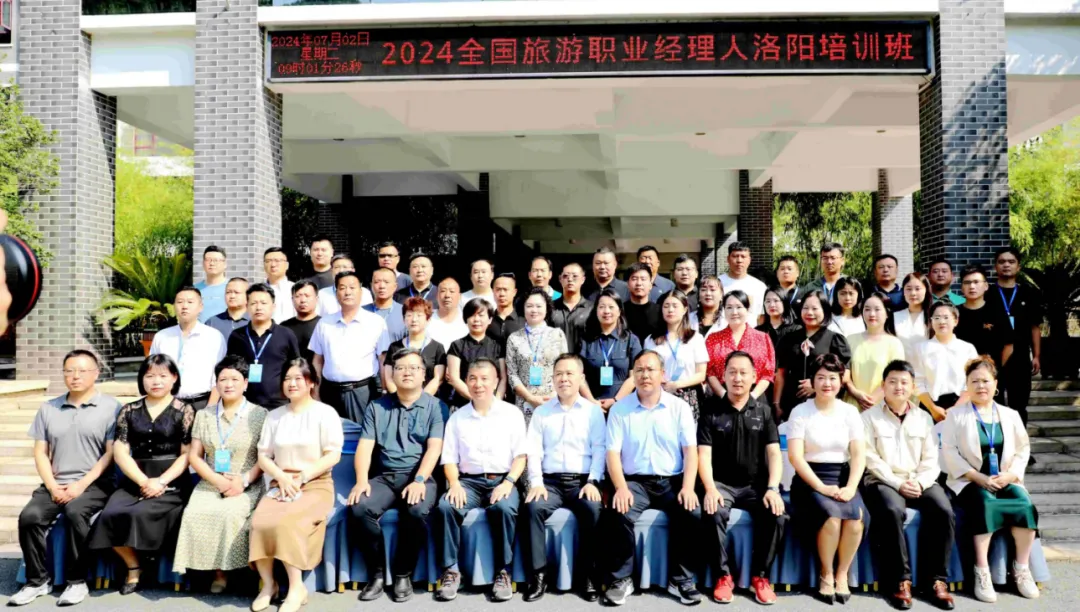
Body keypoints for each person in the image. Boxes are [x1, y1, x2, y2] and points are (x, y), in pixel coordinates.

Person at [12, 351, 120, 607]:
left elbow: (110, 454)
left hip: (94, 483)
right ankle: (37, 581)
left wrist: (81, 485)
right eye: (69, 371)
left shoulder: (111, 407)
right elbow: (40, 452)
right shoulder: (49, 408)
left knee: (75, 512)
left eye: (82, 371)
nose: (75, 376)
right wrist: (52, 486)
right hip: (56, 482)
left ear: (96, 373)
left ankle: (77, 581)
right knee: (30, 517)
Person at [600, 350, 702, 606]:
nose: (645, 375)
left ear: (662, 374)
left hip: (671, 481)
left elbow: (690, 451)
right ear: (633, 375)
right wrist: (620, 488)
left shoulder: (679, 407)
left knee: (691, 511)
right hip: (635, 482)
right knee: (620, 510)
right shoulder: (620, 409)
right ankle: (622, 579)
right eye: (639, 370)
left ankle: (681, 579)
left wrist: (688, 487)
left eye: (650, 369)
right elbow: (612, 454)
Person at [87, 355, 195, 595]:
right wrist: (143, 481)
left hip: (172, 480)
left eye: (163, 376)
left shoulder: (185, 410)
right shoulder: (129, 410)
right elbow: (120, 451)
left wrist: (161, 481)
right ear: (142, 379)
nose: (156, 381)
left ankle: (156, 563)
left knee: (146, 513)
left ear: (174, 378)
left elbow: (187, 454)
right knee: (111, 515)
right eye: (150, 376)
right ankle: (133, 566)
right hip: (136, 478)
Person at [348, 348, 446, 603]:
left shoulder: (436, 406)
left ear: (424, 374)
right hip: (385, 477)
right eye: (401, 368)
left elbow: (435, 448)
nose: (407, 373)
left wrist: (420, 480)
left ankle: (403, 573)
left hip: (420, 476)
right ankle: (377, 574)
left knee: (415, 510)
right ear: (391, 373)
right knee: (359, 507)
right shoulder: (377, 406)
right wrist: (361, 481)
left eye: (414, 368)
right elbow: (365, 447)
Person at [941, 356, 1040, 603]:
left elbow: (1023, 449)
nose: (980, 386)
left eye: (985, 381)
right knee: (986, 503)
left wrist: (1011, 475)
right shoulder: (956, 415)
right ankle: (982, 571)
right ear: (967, 385)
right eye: (974, 381)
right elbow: (949, 451)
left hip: (1006, 478)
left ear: (995, 384)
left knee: (1024, 504)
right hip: (971, 480)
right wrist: (978, 477)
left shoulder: (1010, 415)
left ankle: (1021, 569)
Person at [250, 359, 344, 612]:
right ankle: (269, 585)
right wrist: (281, 477)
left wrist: (302, 477)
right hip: (281, 482)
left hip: (315, 483)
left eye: (298, 378)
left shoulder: (325, 413)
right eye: (287, 378)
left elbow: (333, 455)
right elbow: (263, 456)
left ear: (311, 383)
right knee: (259, 522)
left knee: (287, 522)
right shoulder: (274, 416)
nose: (292, 383)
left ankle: (296, 588)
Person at [862, 361, 955, 611]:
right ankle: (900, 581)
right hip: (883, 480)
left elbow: (931, 458)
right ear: (883, 386)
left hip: (919, 479)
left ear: (913, 387)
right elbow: (870, 459)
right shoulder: (868, 418)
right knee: (892, 510)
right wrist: (898, 483)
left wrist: (920, 482)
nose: (898, 387)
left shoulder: (923, 418)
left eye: (904, 382)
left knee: (943, 510)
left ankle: (937, 580)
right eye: (892, 382)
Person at [434, 359, 527, 603]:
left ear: (496, 382)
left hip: (502, 479)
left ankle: (503, 571)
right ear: (466, 382)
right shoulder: (457, 418)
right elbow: (449, 459)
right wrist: (454, 484)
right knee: (445, 507)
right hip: (468, 483)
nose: (479, 384)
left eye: (485, 379)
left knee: (504, 508)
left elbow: (521, 456)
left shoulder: (511, 414)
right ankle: (451, 571)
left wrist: (508, 483)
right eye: (473, 378)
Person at [172, 356, 268, 592]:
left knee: (229, 514)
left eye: (235, 379)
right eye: (223, 379)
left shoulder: (260, 414)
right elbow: (195, 456)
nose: (228, 384)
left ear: (246, 383)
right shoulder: (204, 415)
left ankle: (241, 572)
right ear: (216, 384)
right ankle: (218, 573)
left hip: (247, 482)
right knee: (194, 512)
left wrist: (243, 481)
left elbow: (265, 457)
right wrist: (216, 480)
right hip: (211, 481)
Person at [698, 351, 787, 606]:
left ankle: (761, 577)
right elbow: (703, 455)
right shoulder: (710, 410)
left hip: (755, 486)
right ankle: (722, 576)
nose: (738, 378)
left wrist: (772, 488)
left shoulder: (764, 411)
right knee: (713, 511)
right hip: (721, 484)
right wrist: (710, 488)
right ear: (723, 376)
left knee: (777, 515)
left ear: (754, 377)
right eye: (732, 372)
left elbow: (774, 453)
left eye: (743, 373)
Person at [521, 354, 606, 602]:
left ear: (581, 378)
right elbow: (534, 450)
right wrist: (536, 482)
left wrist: (593, 481)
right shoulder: (542, 412)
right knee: (532, 508)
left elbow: (600, 449)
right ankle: (539, 575)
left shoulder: (593, 412)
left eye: (569, 373)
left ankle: (588, 575)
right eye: (558, 374)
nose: (564, 379)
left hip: (582, 482)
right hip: (550, 483)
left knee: (594, 510)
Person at [787, 353, 868, 605]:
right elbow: (795, 457)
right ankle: (826, 572)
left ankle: (842, 573)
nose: (827, 383)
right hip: (810, 480)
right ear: (812, 381)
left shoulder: (850, 412)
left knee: (855, 519)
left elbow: (858, 455)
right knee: (831, 517)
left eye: (833, 378)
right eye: (820, 377)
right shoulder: (800, 411)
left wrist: (851, 487)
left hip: (842, 478)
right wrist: (821, 487)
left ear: (841, 381)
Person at [309, 271, 391, 422]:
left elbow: (383, 360)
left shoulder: (375, 322)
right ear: (336, 293)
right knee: (330, 433)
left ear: (361, 291)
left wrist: (385, 391)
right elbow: (317, 360)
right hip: (329, 391)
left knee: (361, 432)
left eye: (352, 287)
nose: (347, 292)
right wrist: (315, 391)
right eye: (342, 288)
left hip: (362, 392)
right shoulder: (324, 323)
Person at [774, 290, 852, 421]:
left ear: (825, 310)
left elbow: (845, 375)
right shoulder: (789, 339)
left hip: (823, 405)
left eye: (815, 308)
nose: (809, 313)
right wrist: (776, 403)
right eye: (805, 308)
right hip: (792, 405)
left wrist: (816, 385)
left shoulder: (835, 339)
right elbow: (781, 373)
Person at [987, 247, 1043, 427]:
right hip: (993, 357)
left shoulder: (1029, 292)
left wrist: (1036, 356)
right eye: (1002, 262)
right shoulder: (987, 293)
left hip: (1020, 356)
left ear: (1018, 267)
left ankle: (1020, 442)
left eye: (1011, 262)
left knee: (1019, 405)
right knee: (993, 403)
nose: (1006, 265)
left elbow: (1035, 327)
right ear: (995, 266)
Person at [227, 284, 302, 410]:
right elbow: (231, 368)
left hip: (279, 403)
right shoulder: (237, 336)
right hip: (245, 403)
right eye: (253, 303)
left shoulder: (286, 334)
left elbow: (296, 368)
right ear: (247, 307)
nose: (258, 307)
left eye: (263, 303)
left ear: (273, 306)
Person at [150, 286, 226, 411]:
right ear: (174, 306)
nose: (184, 306)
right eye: (180, 302)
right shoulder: (162, 337)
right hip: (167, 403)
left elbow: (219, 375)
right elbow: (152, 371)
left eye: (190, 302)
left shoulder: (214, 337)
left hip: (202, 403)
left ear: (200, 307)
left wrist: (210, 407)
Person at [506, 288, 569, 424]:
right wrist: (530, 398)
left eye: (539, 306)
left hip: (553, 399)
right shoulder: (514, 338)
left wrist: (554, 394)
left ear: (547, 308)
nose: (534, 310)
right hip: (525, 403)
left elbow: (564, 368)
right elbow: (512, 374)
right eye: (529, 306)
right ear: (523, 308)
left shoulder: (557, 335)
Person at [913, 302, 979, 422]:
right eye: (937, 318)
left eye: (946, 317)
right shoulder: (920, 348)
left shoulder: (967, 349)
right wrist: (933, 409)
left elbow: (974, 380)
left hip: (963, 405)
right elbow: (917, 382)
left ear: (955, 321)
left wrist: (957, 407)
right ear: (931, 322)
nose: (941, 321)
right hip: (931, 407)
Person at [705, 290, 775, 403]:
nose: (734, 312)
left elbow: (768, 373)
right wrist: (723, 395)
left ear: (747, 309)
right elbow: (709, 372)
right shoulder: (713, 339)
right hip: (722, 397)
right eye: (729, 307)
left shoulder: (762, 338)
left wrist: (752, 396)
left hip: (755, 397)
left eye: (739, 307)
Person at [578, 288, 640, 410]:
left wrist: (616, 400)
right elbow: (579, 375)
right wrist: (592, 402)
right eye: (602, 307)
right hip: (591, 406)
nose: (606, 311)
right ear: (596, 311)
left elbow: (634, 376)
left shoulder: (631, 340)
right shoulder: (585, 340)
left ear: (619, 311)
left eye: (611, 307)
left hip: (623, 405)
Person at [844, 293, 905, 410]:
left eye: (877, 309)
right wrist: (856, 394)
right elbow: (845, 375)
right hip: (852, 405)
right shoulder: (850, 340)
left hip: (882, 406)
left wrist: (871, 400)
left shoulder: (894, 343)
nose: (872, 314)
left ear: (887, 313)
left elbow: (894, 377)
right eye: (867, 309)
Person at [446, 297, 506, 408]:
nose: (476, 319)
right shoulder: (457, 345)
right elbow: (454, 378)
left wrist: (495, 402)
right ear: (465, 319)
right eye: (472, 315)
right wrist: (476, 400)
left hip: (493, 406)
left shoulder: (497, 346)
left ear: (490, 319)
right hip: (464, 404)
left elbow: (503, 378)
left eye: (481, 315)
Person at [383, 297, 447, 398]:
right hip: (398, 401)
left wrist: (420, 400)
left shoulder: (437, 347)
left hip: (428, 401)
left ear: (428, 319)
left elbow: (437, 379)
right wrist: (401, 399)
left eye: (419, 315)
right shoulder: (394, 347)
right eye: (409, 315)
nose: (414, 319)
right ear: (403, 319)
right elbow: (389, 378)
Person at [955, 265, 1014, 372]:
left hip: (990, 373)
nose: (972, 286)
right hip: (960, 373)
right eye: (967, 283)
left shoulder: (997, 312)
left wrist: (996, 369)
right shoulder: (955, 314)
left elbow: (1009, 345)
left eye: (976, 282)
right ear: (961, 287)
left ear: (986, 286)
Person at [718, 242, 768, 324]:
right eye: (735, 256)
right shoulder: (717, 284)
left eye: (743, 257)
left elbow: (762, 316)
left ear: (749, 260)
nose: (739, 260)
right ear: (728, 259)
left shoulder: (759, 286)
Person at [551, 263, 593, 353]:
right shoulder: (551, 307)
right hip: (556, 359)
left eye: (575, 276)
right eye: (565, 276)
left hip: (583, 360)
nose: (570, 279)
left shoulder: (592, 308)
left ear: (583, 279)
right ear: (560, 279)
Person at [281, 281, 321, 365]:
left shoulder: (324, 325)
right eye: (298, 296)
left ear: (317, 299)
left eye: (307, 296)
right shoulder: (283, 327)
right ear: (292, 299)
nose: (303, 300)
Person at [894, 272, 933, 358]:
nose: (913, 293)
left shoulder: (933, 316)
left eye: (917, 289)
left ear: (926, 290)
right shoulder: (894, 317)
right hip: (901, 364)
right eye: (908, 289)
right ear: (903, 291)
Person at [364, 267, 407, 344]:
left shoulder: (405, 312)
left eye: (386, 282)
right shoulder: (361, 312)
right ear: (371, 286)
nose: (382, 286)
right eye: (377, 282)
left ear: (395, 287)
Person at [426, 277, 469, 352]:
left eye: (452, 291)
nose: (447, 295)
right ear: (437, 296)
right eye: (443, 291)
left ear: (459, 296)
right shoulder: (426, 318)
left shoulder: (468, 319)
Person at [624, 263, 661, 341]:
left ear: (650, 284)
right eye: (634, 279)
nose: (639, 283)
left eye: (643, 279)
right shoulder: (620, 311)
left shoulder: (660, 311)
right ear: (628, 284)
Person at [487, 273, 524, 350]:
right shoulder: (486, 320)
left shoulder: (524, 321)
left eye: (505, 289)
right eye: (498, 289)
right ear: (493, 291)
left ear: (514, 292)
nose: (502, 294)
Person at [194, 245, 228, 323]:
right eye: (208, 260)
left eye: (216, 260)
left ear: (225, 264)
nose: (212, 263)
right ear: (203, 263)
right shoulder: (194, 289)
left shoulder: (232, 288)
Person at [757, 286, 797, 352]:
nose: (772, 305)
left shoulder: (796, 331)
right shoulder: (758, 331)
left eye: (776, 301)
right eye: (768, 301)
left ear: (784, 303)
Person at [264, 247, 296, 323]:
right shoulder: (257, 291)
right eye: (268, 261)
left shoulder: (296, 289)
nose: (273, 265)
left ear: (287, 265)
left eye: (277, 260)